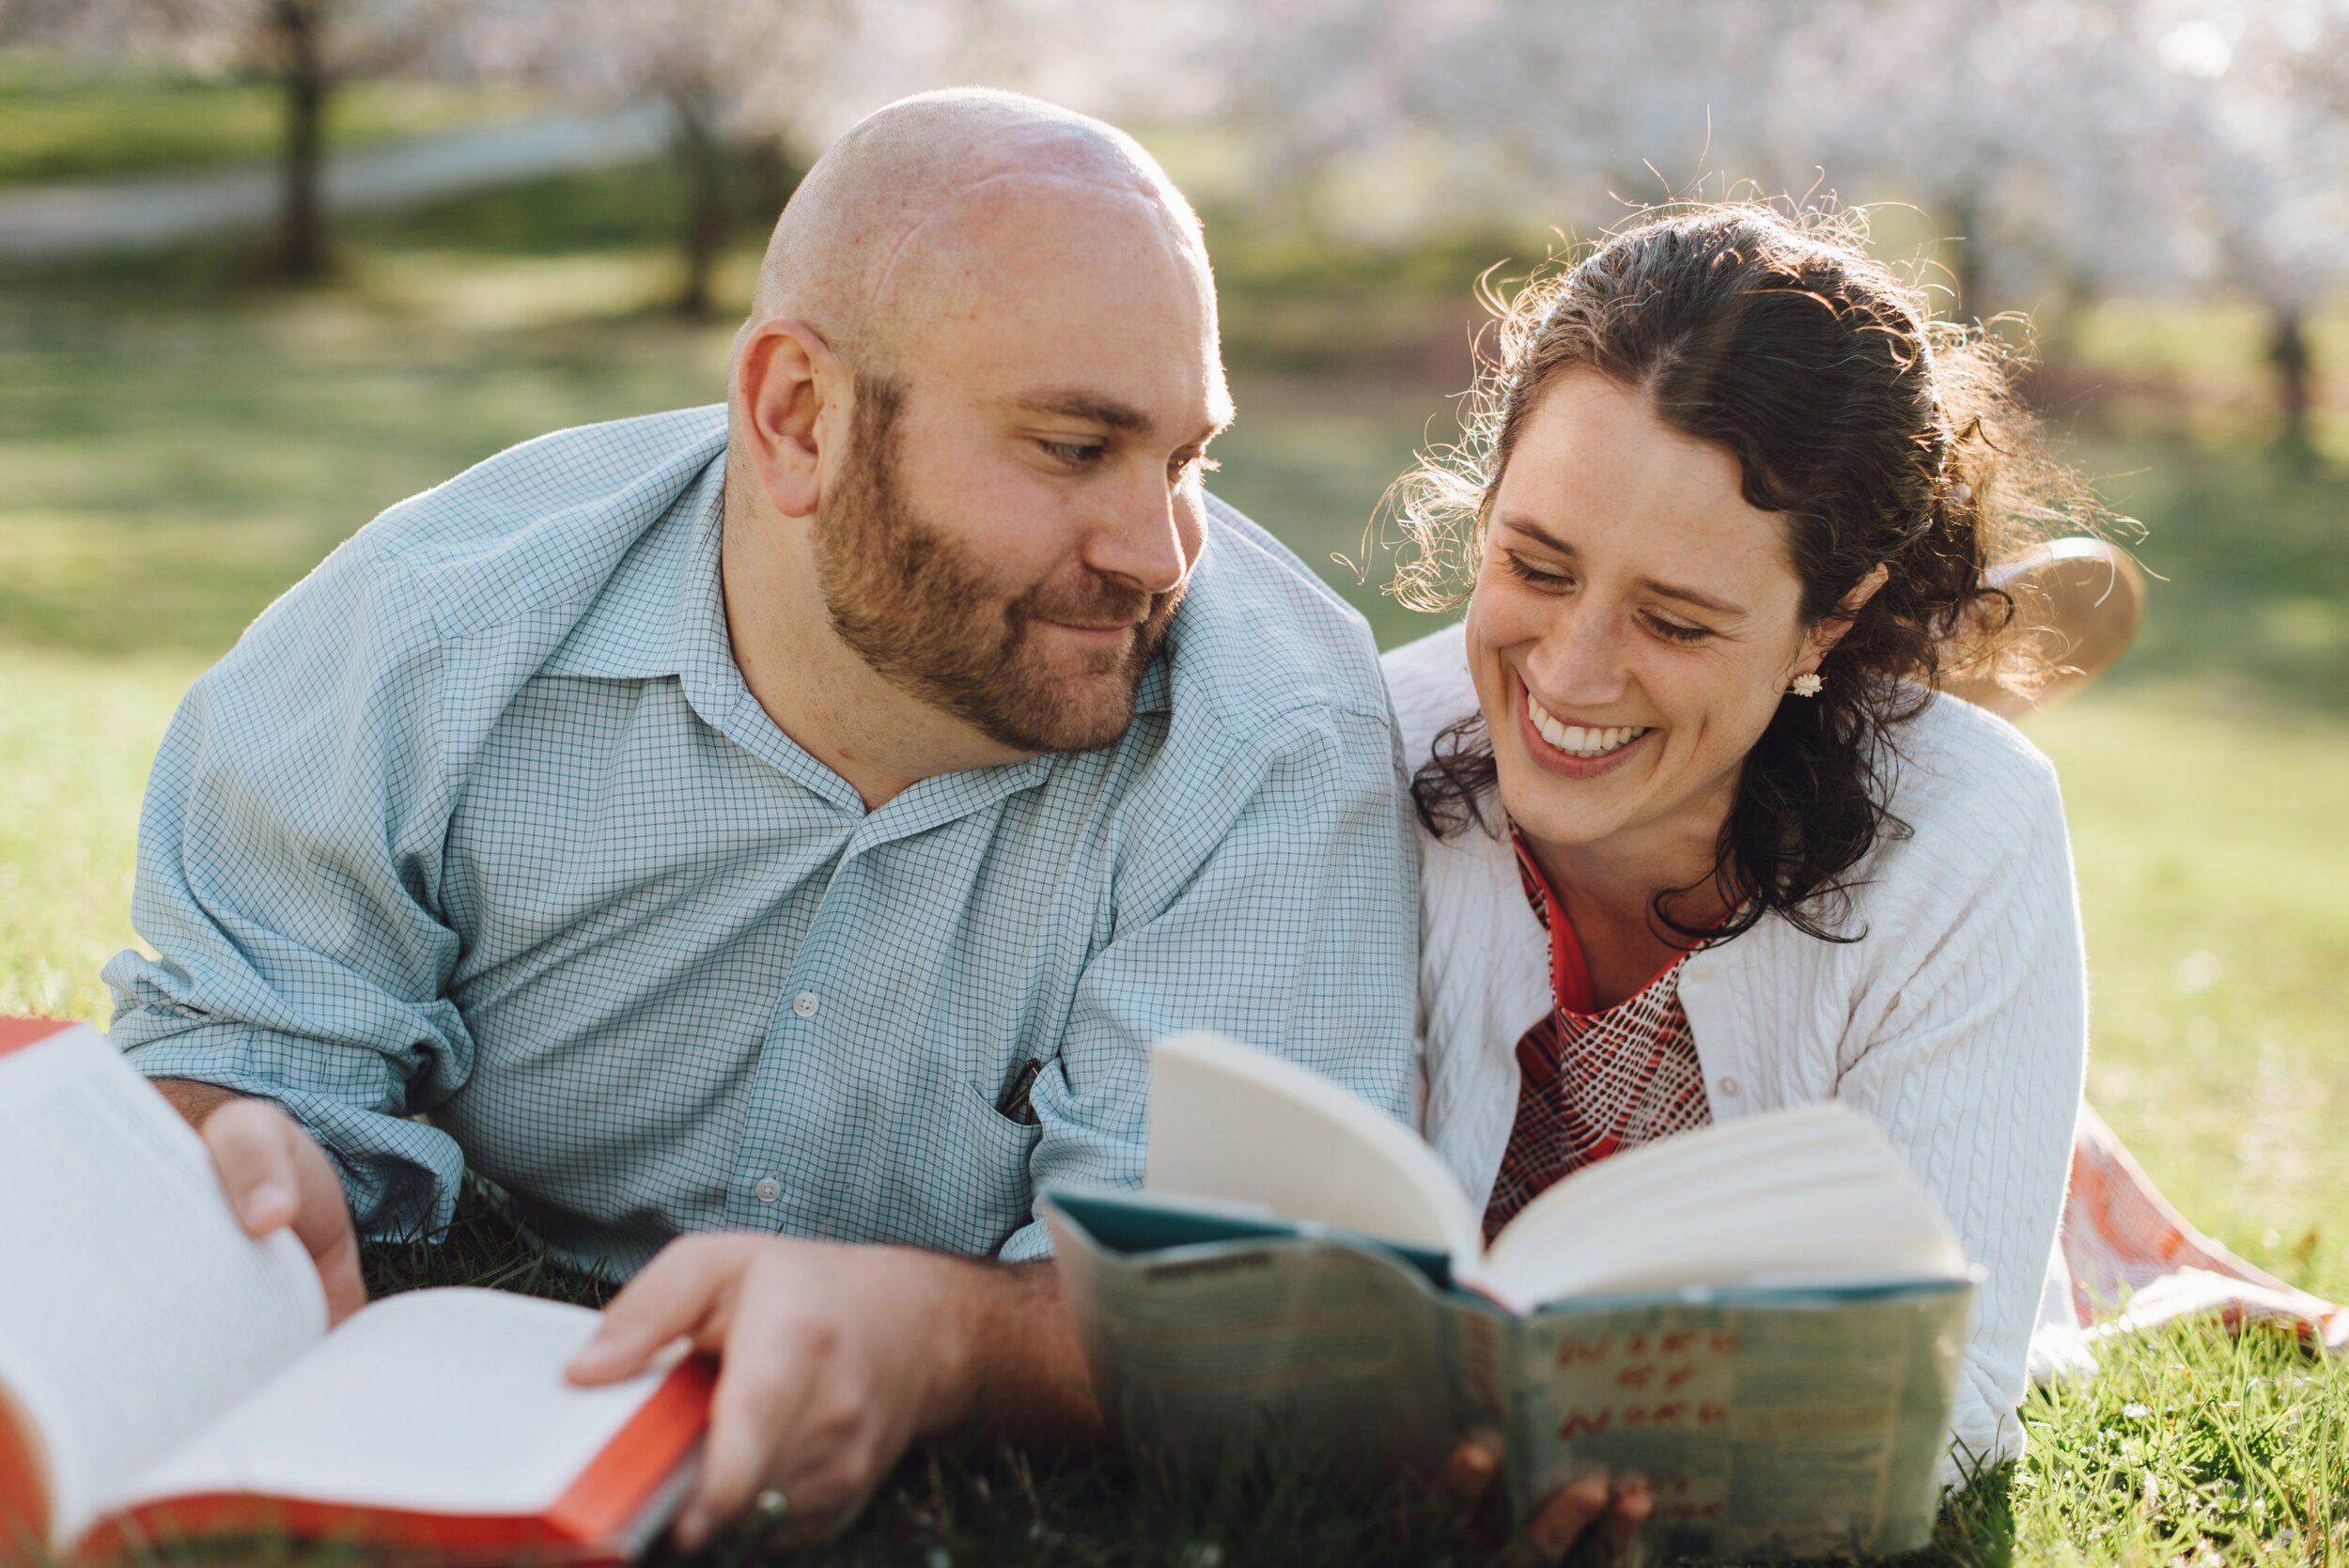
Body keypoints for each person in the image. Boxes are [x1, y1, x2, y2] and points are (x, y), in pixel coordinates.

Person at [100, 89, 1420, 1545]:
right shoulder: (431, 633)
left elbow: (1232, 1304)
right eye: (1073, 448)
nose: (1160, 550)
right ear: (798, 416)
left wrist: (946, 1337)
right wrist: (238, 1139)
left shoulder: (1272, 743)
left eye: (1189, 457)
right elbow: (241, 1047)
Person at [1381, 204, 2095, 1537]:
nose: (1571, 673)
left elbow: (1953, 1400)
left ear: (1830, 617)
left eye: (1674, 618)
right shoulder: (1366, 749)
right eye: (1535, 564)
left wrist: (1672, 1483)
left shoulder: (1972, 830)